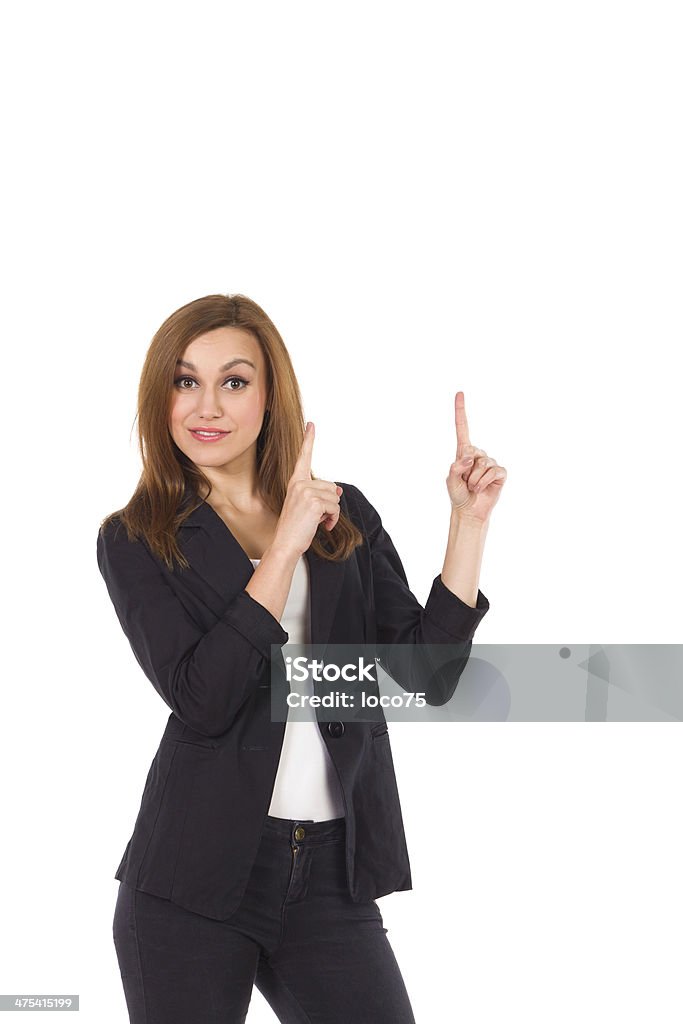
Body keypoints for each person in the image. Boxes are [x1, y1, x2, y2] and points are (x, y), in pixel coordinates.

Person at [97, 292, 506, 1023]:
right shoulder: (137, 537)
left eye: (234, 380)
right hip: (192, 881)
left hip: (327, 874)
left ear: (269, 394)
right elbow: (203, 697)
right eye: (184, 380)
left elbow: (424, 677)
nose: (205, 405)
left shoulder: (340, 513)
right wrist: (281, 546)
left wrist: (466, 527)